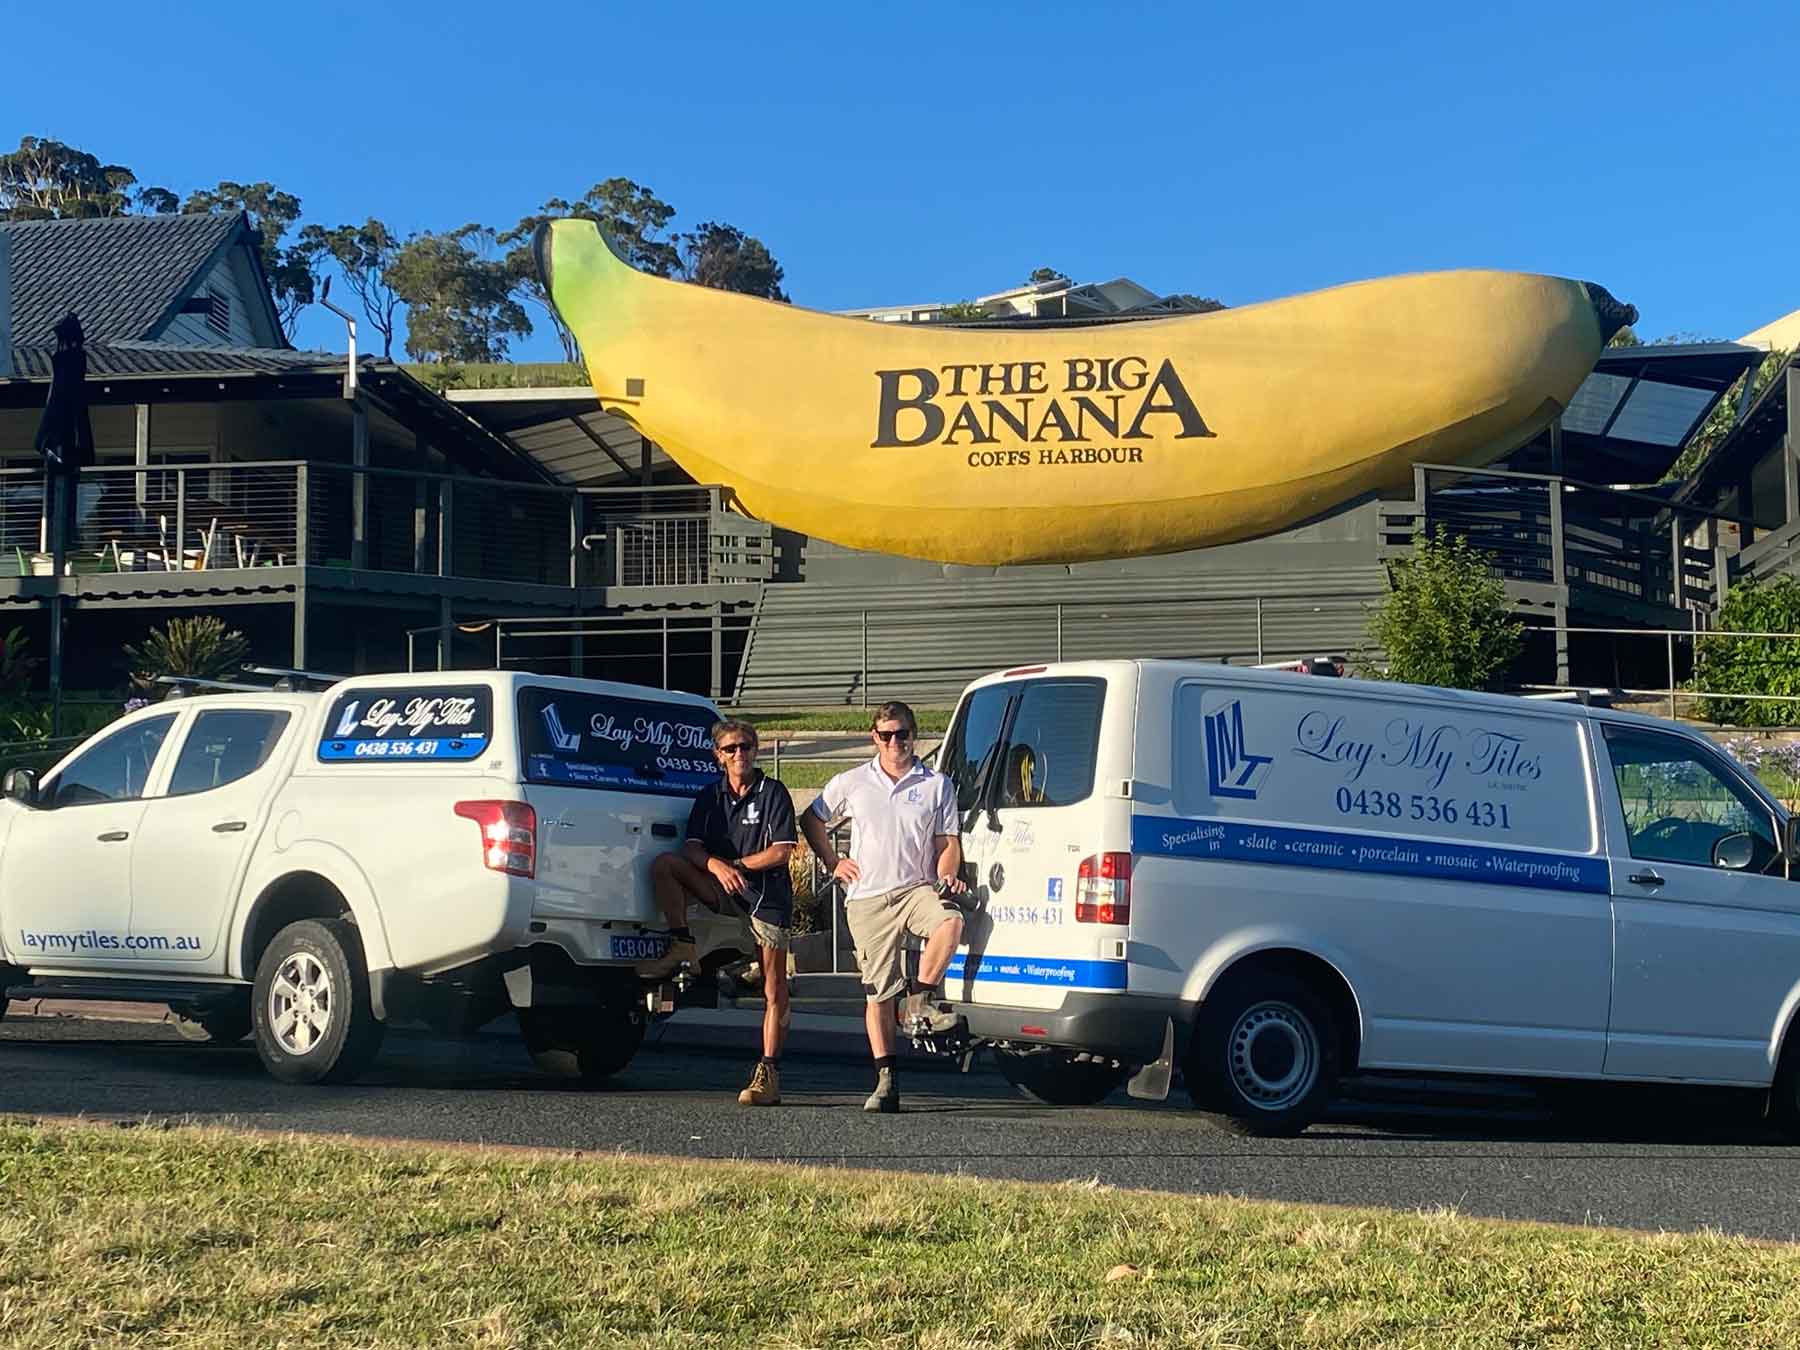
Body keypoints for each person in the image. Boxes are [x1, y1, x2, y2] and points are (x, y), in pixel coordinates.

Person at [801, 700, 966, 1114]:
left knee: (951, 922)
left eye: (903, 734)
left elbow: (947, 843)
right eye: (887, 735)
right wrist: (833, 861)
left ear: (914, 735)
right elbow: (812, 818)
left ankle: (921, 998)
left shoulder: (936, 784)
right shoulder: (853, 781)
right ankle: (886, 1078)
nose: (896, 743)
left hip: (915, 888)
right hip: (867, 898)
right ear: (875, 737)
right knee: (879, 994)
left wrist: (946, 873)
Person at [643, 718, 797, 1106]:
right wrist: (716, 865)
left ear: (756, 749)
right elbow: (691, 847)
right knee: (665, 864)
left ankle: (768, 1071)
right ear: (718, 756)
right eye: (730, 749)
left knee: (773, 988)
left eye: (745, 746)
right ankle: (682, 944)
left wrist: (740, 866)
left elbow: (782, 850)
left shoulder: (773, 792)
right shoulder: (710, 796)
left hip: (765, 898)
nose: (739, 754)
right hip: (722, 891)